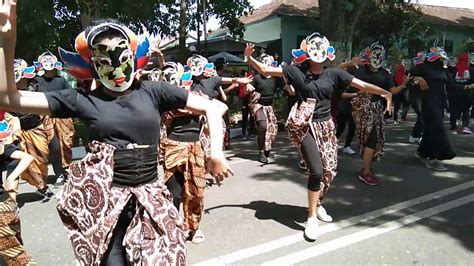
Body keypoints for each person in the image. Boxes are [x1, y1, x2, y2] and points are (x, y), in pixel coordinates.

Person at [0, 7, 232, 264]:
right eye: (104, 59)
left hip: (150, 200)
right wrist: (6, 41)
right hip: (106, 205)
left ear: (132, 55)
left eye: (121, 55)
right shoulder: (82, 100)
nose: (116, 67)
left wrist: (216, 154)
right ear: (93, 65)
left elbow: (212, 107)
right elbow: (8, 98)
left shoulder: (154, 92)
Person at [244, 32, 392, 241]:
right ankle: (311, 217)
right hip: (305, 126)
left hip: (326, 126)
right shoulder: (296, 71)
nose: (317, 55)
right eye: (313, 51)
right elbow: (266, 69)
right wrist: (249, 58)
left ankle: (318, 203)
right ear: (308, 54)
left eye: (321, 51)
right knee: (317, 171)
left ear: (327, 54)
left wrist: (386, 93)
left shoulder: (334, 74)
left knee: (330, 171)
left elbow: (363, 85)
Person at [162, 54, 250, 244]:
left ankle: (194, 228)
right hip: (172, 147)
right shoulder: (164, 101)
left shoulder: (196, 96)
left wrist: (205, 118)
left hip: (195, 146)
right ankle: (173, 226)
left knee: (196, 191)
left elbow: (220, 108)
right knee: (173, 193)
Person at [342, 42, 408, 186]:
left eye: (380, 55)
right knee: (371, 137)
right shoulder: (359, 70)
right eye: (374, 55)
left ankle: (367, 166)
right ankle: (365, 172)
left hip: (376, 109)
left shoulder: (385, 74)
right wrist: (350, 62)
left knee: (373, 139)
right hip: (361, 107)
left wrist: (402, 85)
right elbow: (339, 72)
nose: (377, 58)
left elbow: (392, 90)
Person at [411, 47, 474, 171]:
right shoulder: (423, 68)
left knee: (431, 129)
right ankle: (435, 158)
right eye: (441, 59)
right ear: (436, 58)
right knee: (438, 129)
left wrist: (468, 86)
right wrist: (417, 78)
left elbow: (452, 86)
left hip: (440, 103)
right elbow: (409, 78)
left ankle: (423, 152)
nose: (443, 61)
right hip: (428, 102)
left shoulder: (444, 71)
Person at [9, 58, 55, 199]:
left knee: (42, 156)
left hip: (36, 126)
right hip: (18, 130)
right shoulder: (7, 90)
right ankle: (41, 186)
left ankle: (43, 182)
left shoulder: (35, 85)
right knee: (22, 161)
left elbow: (47, 102)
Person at [33, 51, 74, 186]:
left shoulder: (61, 80)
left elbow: (70, 95)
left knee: (66, 144)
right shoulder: (37, 81)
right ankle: (59, 174)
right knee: (54, 146)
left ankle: (67, 169)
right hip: (46, 118)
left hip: (63, 117)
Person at [0, 110, 36, 265]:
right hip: (6, 205)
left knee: (16, 256)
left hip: (3, 208)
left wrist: (12, 177)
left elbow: (28, 157)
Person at [245, 53, 284, 163]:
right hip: (258, 105)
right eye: (264, 62)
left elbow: (286, 87)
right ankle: (261, 152)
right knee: (263, 126)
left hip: (269, 106)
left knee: (272, 129)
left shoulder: (276, 78)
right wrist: (248, 86)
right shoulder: (256, 78)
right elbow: (248, 87)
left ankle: (267, 151)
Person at [449, 52, 473, 134]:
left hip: (455, 94)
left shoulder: (454, 69)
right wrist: (467, 86)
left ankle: (454, 128)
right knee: (466, 110)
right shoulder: (471, 69)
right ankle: (465, 126)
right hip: (466, 94)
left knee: (454, 111)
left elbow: (450, 82)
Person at [408, 51, 426, 144]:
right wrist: (415, 80)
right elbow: (408, 81)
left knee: (423, 116)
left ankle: (415, 135)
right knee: (422, 115)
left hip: (422, 96)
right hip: (415, 96)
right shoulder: (414, 69)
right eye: (422, 57)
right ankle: (417, 135)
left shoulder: (427, 69)